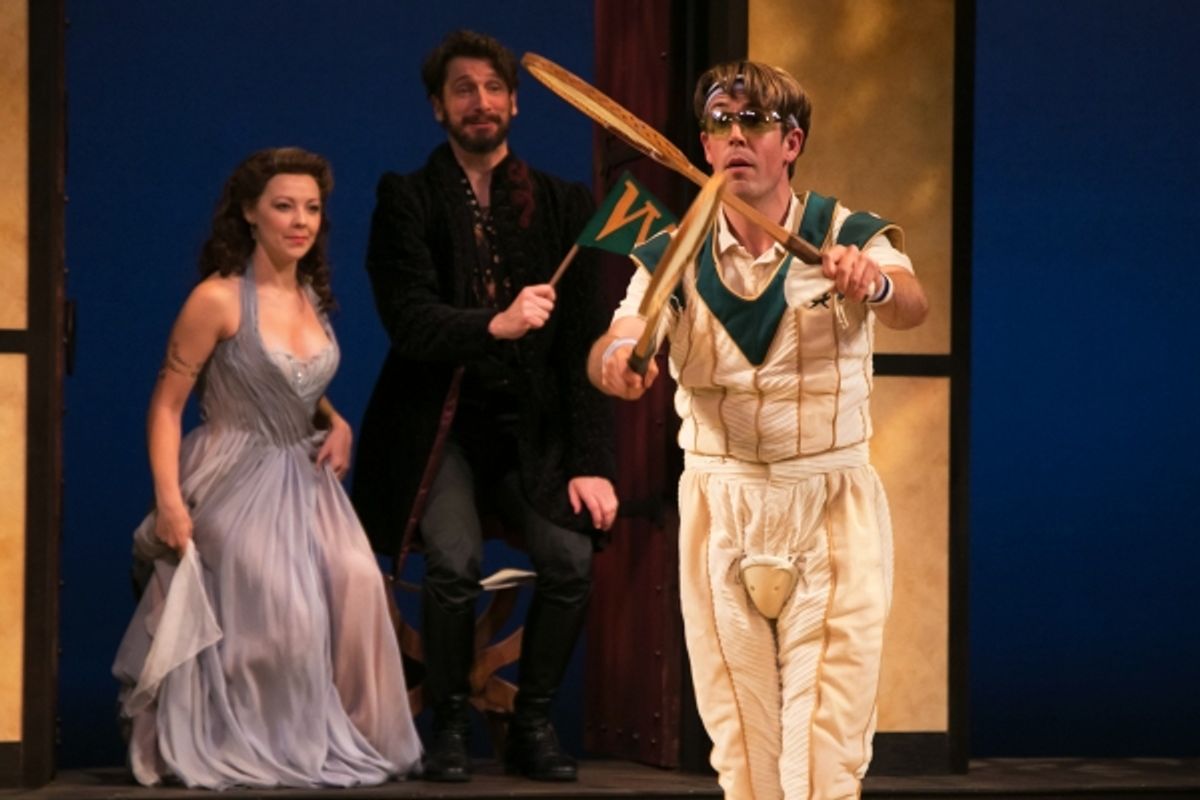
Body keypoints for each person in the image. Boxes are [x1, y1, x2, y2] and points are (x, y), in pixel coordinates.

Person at [589, 61, 929, 800]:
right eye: (719, 122)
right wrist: (619, 360)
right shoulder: (671, 250)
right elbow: (622, 336)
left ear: (791, 141)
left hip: (827, 507)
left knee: (823, 754)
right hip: (721, 506)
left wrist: (869, 281)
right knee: (742, 752)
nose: (735, 135)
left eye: (754, 122)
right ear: (704, 145)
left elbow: (909, 302)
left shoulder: (846, 233)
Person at [351, 30, 617, 784]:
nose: (481, 101)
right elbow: (408, 320)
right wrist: (493, 322)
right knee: (456, 561)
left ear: (516, 102)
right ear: (438, 107)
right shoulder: (406, 198)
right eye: (463, 89)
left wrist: (593, 464)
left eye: (493, 88)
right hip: (438, 430)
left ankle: (532, 725)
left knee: (571, 559)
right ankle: (450, 728)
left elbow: (582, 347)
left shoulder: (567, 203)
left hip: (529, 433)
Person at [112, 147, 422, 789]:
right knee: (285, 606)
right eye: (284, 206)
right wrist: (169, 502)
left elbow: (293, 380)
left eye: (311, 208)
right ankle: (251, 739)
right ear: (250, 212)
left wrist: (335, 420)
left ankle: (343, 736)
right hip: (233, 475)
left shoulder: (311, 294)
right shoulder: (219, 298)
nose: (300, 220)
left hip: (303, 480)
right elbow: (167, 406)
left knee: (360, 586)